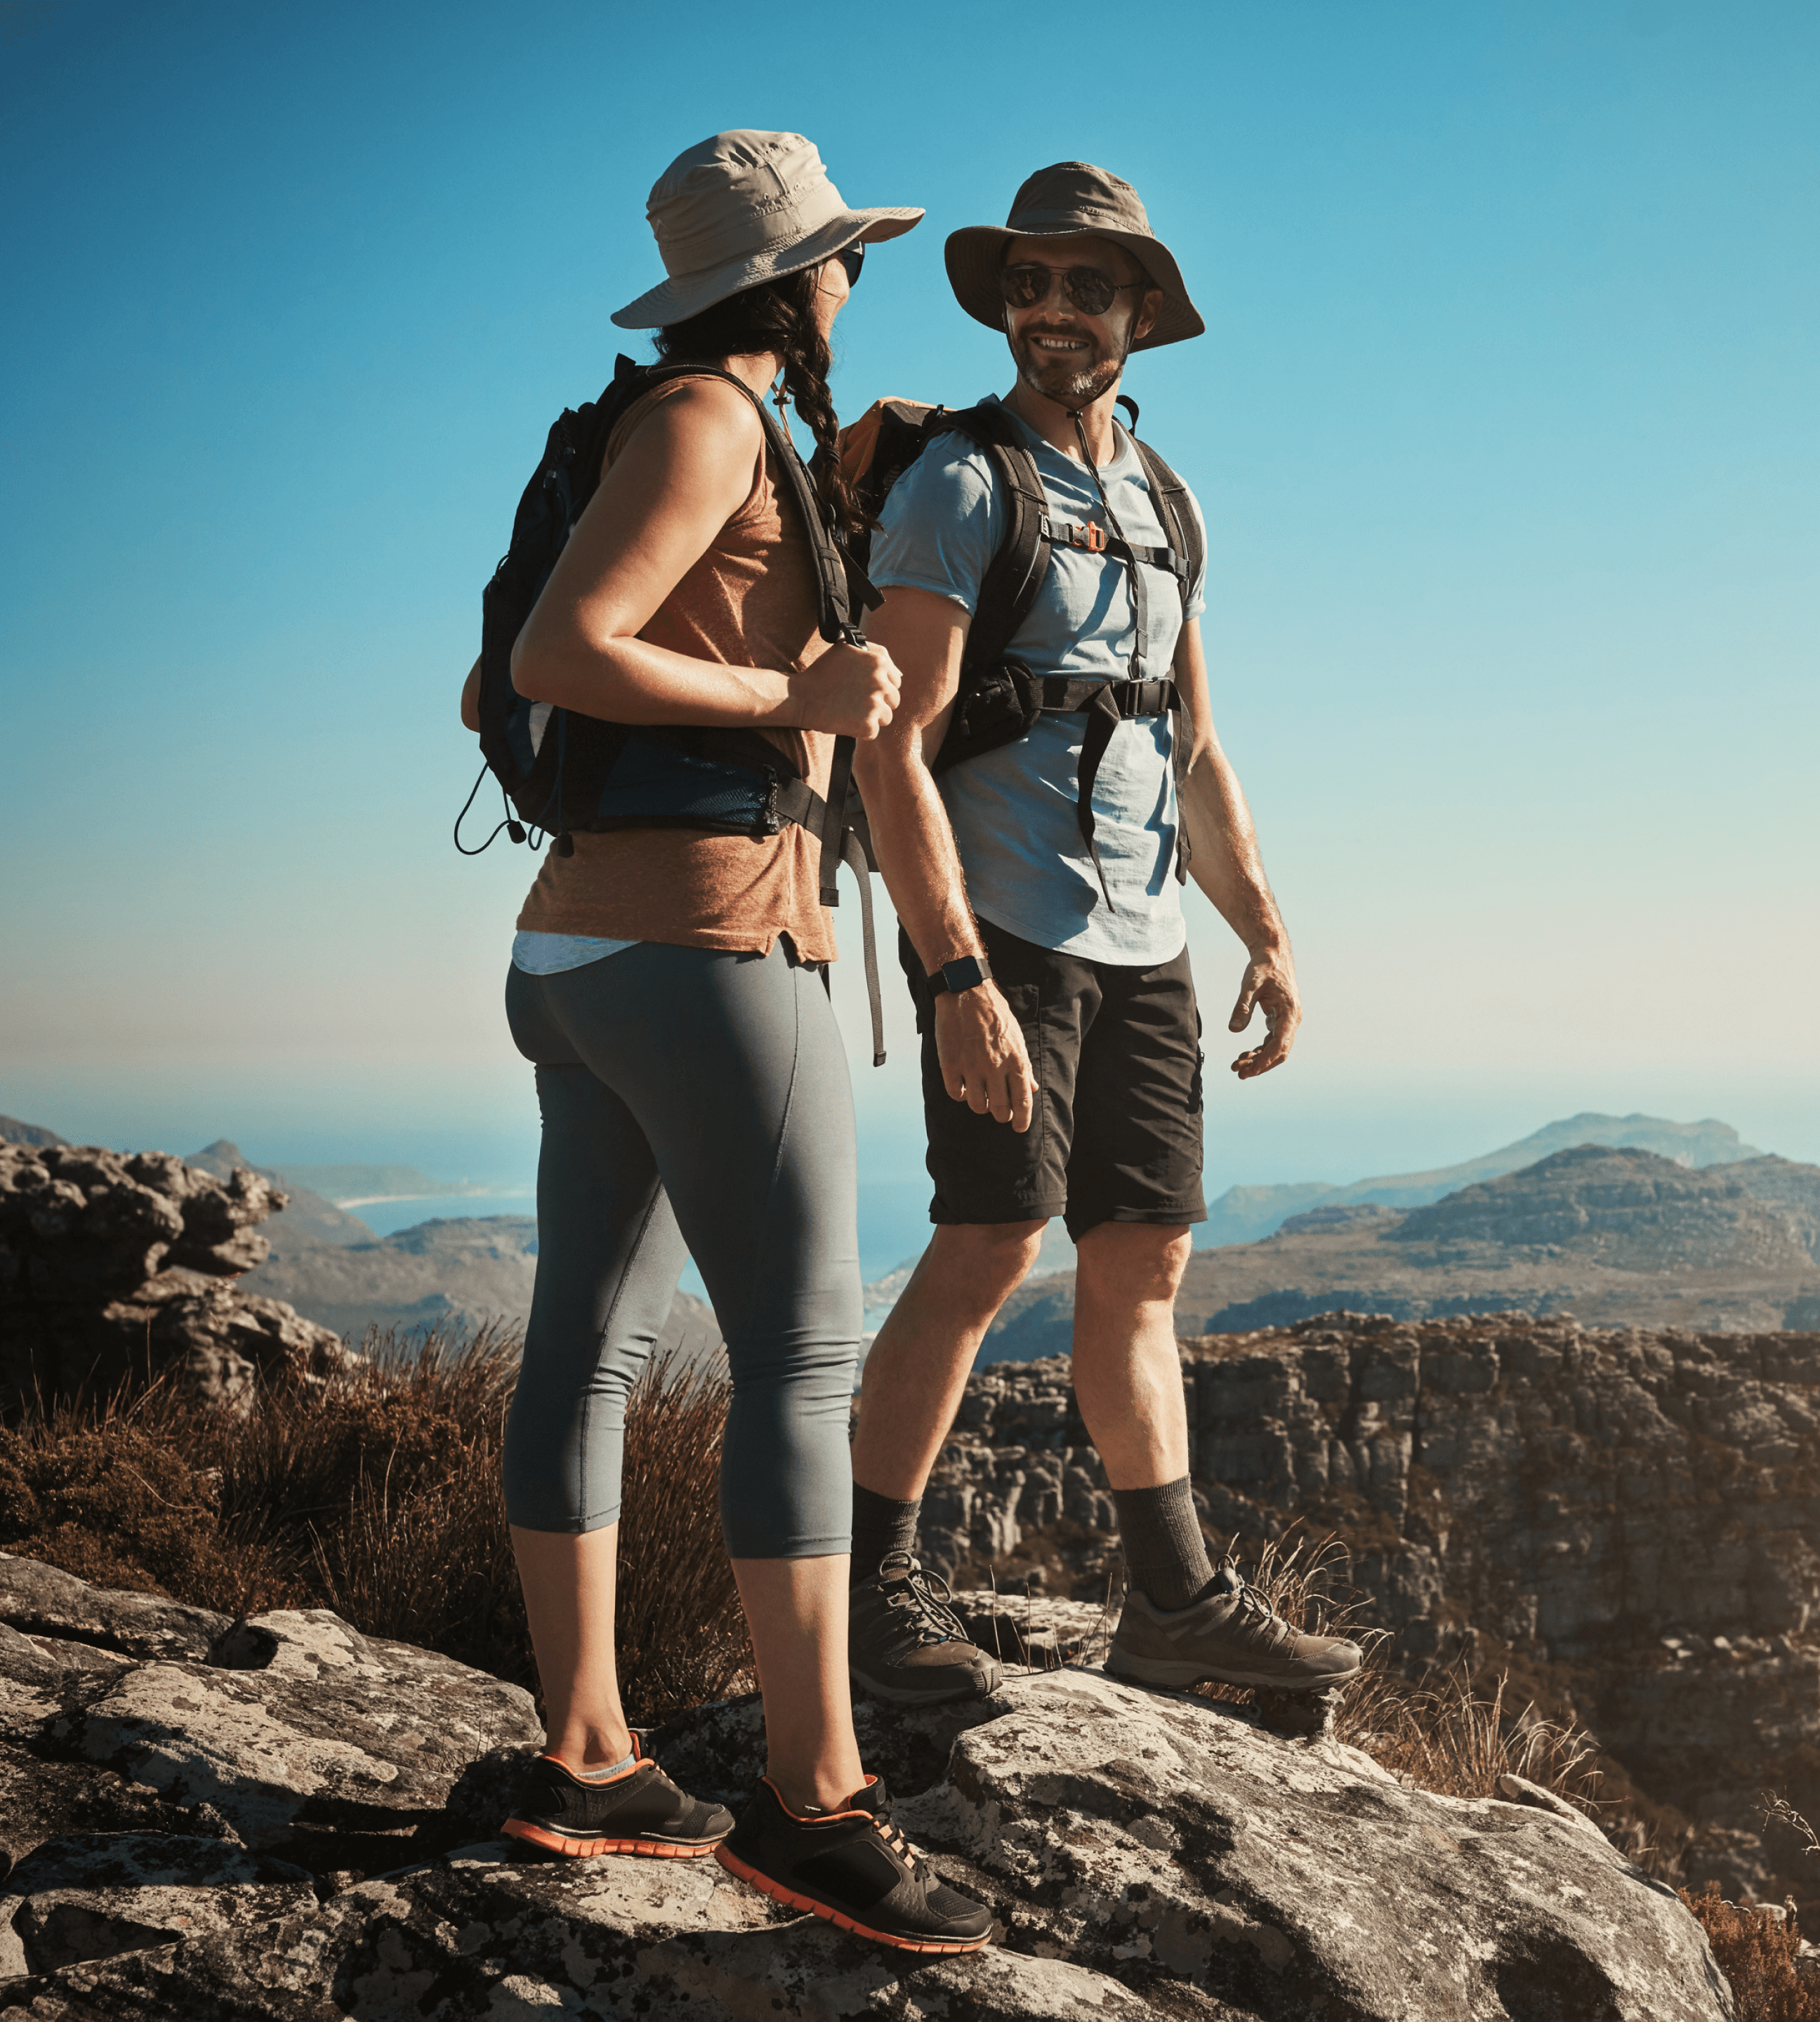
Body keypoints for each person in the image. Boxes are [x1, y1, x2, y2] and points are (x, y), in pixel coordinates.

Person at [461, 130, 993, 1955]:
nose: (856, 284)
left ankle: (588, 1758)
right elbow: (560, 650)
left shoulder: (705, 421)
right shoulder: (702, 423)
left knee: (591, 1349)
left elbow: (650, 605)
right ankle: (813, 1804)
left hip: (584, 954)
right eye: (842, 262)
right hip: (707, 946)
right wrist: (793, 694)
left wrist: (868, 465)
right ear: (797, 279)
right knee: (800, 1362)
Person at [845, 162, 1364, 1704]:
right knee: (992, 1241)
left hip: (1147, 941)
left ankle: (1176, 1600)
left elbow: (1192, 745)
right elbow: (893, 741)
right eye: (1030, 283)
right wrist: (950, 975)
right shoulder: (959, 482)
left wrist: (1263, 930)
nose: (1052, 310)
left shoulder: (1166, 498)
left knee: (1143, 1258)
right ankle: (873, 1581)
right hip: (997, 925)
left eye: (1087, 286)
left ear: (1141, 312)